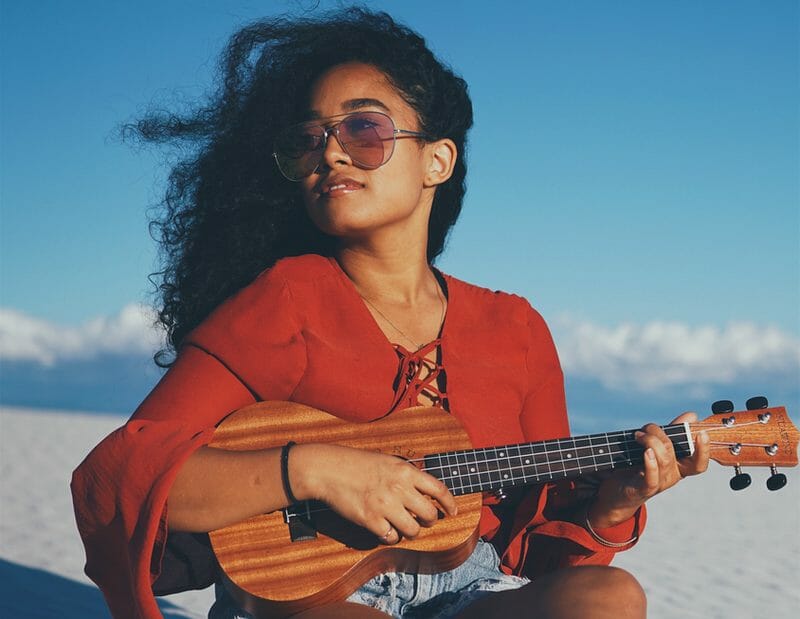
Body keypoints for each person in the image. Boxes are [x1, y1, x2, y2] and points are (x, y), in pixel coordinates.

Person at [71, 8, 709, 619]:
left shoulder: (514, 328)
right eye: (308, 139)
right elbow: (127, 471)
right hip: (308, 599)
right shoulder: (283, 301)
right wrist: (318, 471)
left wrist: (614, 505)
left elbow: (538, 549)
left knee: (610, 597)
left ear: (438, 160)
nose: (331, 152)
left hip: (472, 586)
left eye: (363, 129)